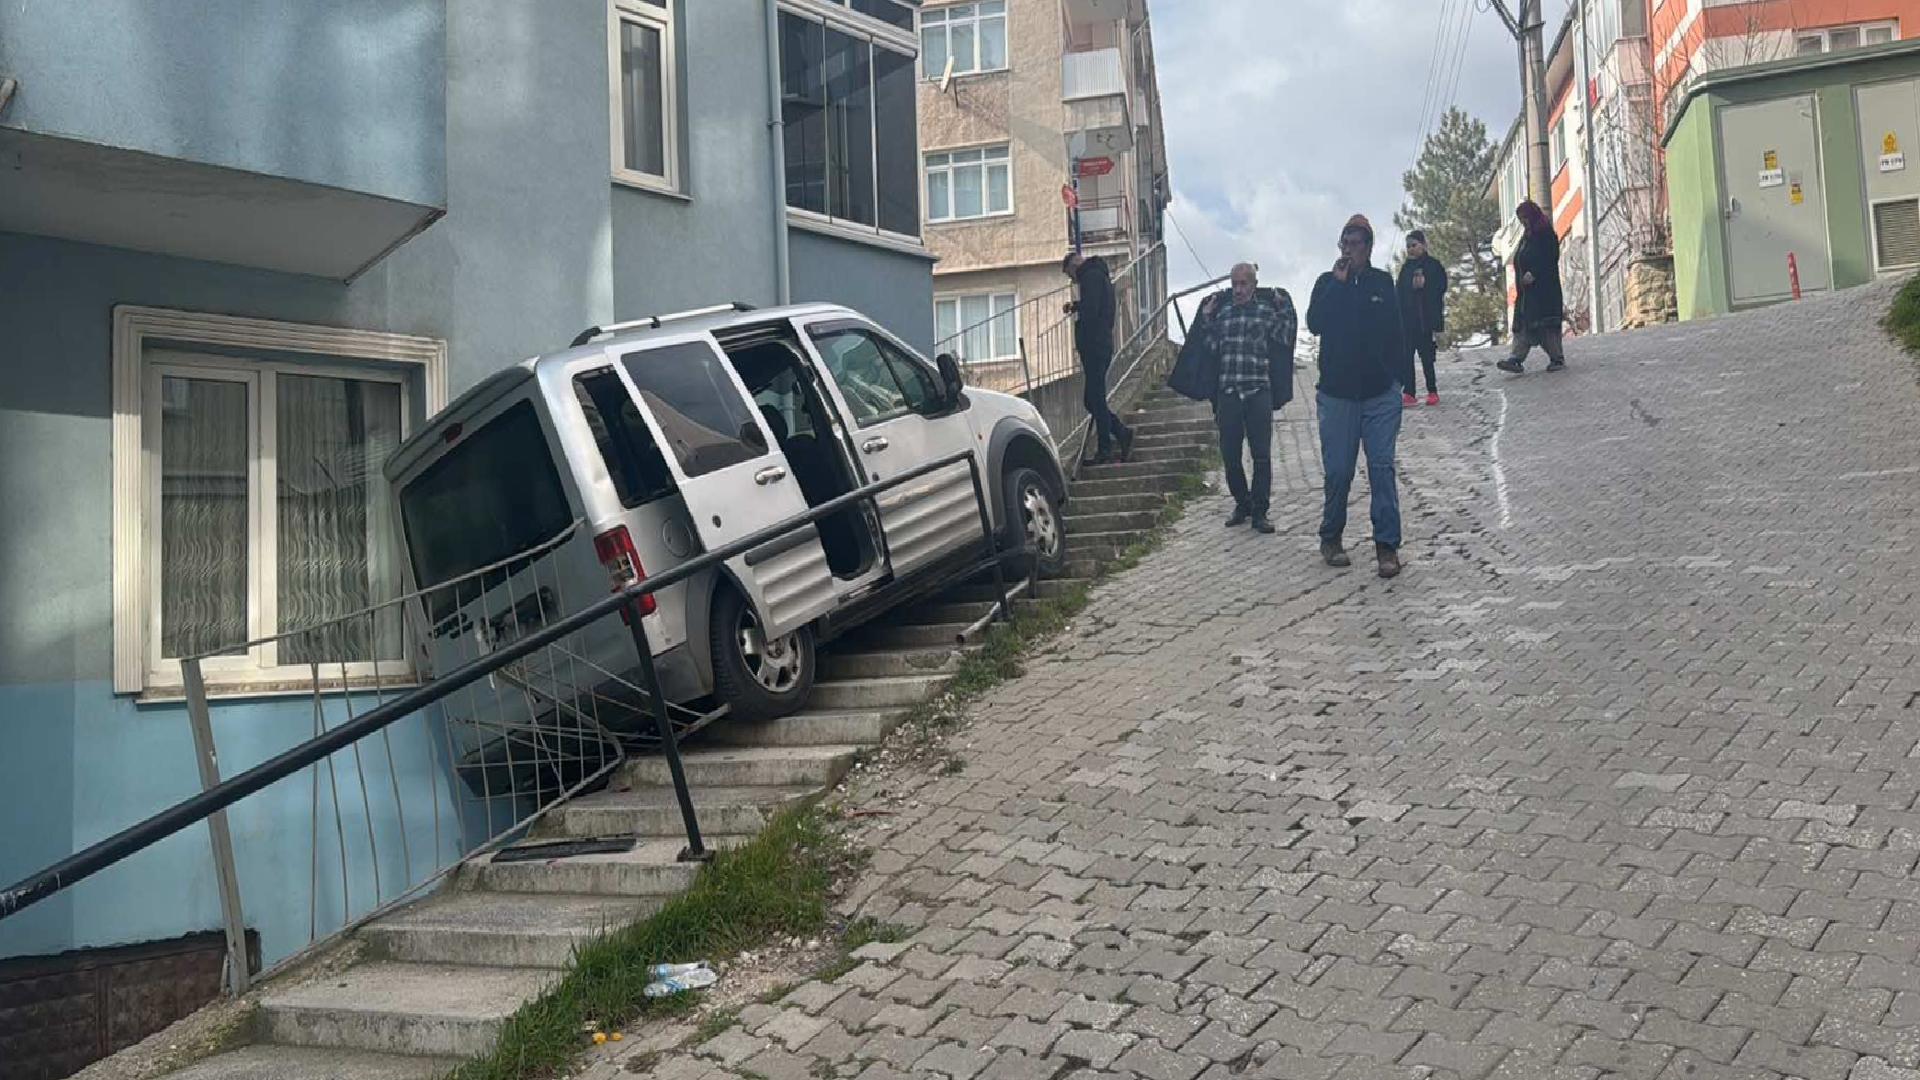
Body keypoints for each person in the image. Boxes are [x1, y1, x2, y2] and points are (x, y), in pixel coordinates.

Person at [1306, 214, 1409, 579]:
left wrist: (1400, 381)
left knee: (1381, 467)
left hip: (1380, 393)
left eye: (1356, 244)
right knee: (1338, 471)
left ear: (1369, 247)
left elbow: (1398, 333)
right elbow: (1315, 322)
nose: (1349, 250)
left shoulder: (1383, 282)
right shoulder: (1326, 283)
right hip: (1337, 395)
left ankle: (1387, 547)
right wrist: (1338, 285)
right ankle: (1331, 537)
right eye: (1344, 243)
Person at [1188, 263, 1297, 533]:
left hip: (1258, 390)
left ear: (1253, 285)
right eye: (1234, 284)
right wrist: (1207, 317)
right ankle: (1242, 503)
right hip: (1229, 394)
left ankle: (1260, 512)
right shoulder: (1224, 314)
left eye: (1244, 283)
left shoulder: (1265, 312)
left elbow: (1284, 336)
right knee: (1230, 455)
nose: (1238, 289)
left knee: (1261, 456)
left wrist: (1285, 308)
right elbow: (1210, 348)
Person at [1062, 252, 1134, 463]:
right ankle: (1120, 434)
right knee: (1093, 399)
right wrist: (1076, 306)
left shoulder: (1090, 276)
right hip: (1100, 344)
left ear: (1075, 266)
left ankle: (1107, 446)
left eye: (1070, 275)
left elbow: (1092, 311)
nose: (1072, 280)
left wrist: (1079, 317)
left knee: (1095, 399)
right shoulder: (1098, 275)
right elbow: (1095, 306)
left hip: (1095, 345)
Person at [1497, 200, 1567, 374]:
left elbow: (1549, 258)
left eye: (1525, 218)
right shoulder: (1526, 237)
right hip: (1527, 294)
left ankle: (1556, 357)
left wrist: (1534, 273)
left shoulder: (1545, 235)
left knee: (1546, 327)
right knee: (1523, 327)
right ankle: (1515, 359)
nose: (1523, 222)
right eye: (1520, 219)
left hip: (1544, 292)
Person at [1396, 229, 1448, 406]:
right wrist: (1411, 286)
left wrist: (1426, 285)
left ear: (1423, 245)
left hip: (1425, 321)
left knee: (1427, 358)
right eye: (1408, 246)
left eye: (1414, 245)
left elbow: (1441, 286)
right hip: (1408, 322)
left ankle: (1432, 391)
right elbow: (1399, 293)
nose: (1411, 249)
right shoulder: (1405, 269)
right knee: (1406, 358)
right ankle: (1409, 392)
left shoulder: (1433, 265)